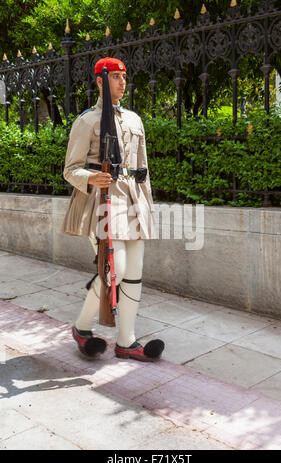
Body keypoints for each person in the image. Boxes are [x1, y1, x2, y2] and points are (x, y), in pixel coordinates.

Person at [61, 57, 164, 362]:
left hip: (132, 199)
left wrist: (148, 205)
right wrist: (91, 176)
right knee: (113, 270)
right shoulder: (87, 122)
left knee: (134, 272)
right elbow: (70, 169)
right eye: (116, 77)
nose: (122, 82)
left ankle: (127, 341)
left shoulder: (134, 120)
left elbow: (142, 168)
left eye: (123, 76)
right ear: (100, 81)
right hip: (102, 200)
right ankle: (82, 328)